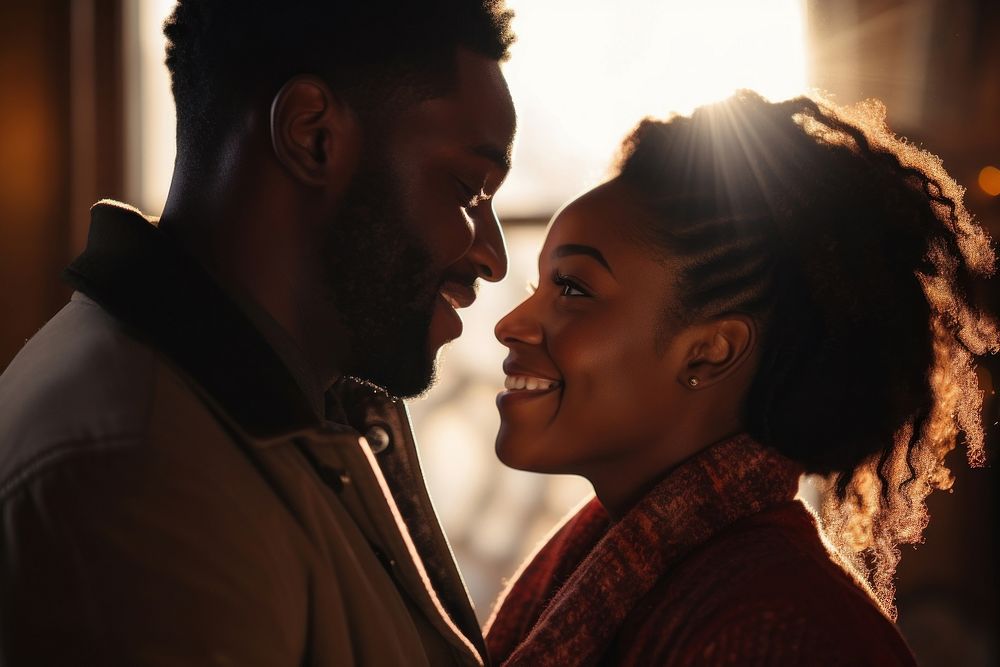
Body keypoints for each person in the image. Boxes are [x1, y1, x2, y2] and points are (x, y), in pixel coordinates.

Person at [0, 1, 516, 664]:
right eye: (467, 188)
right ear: (311, 135)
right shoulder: (135, 479)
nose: (493, 257)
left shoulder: (299, 406)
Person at [485, 91, 997, 665]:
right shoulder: (646, 569)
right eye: (539, 288)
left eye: (573, 289)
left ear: (709, 353)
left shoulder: (782, 632)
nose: (511, 325)